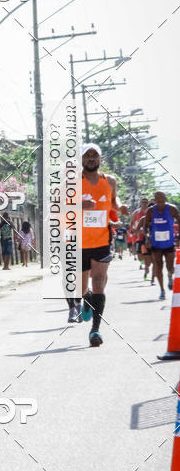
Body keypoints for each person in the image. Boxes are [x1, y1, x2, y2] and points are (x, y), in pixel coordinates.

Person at [81, 143, 128, 347]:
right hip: (77, 241)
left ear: (100, 159)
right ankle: (87, 298)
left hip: (102, 239)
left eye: (95, 155)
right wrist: (79, 205)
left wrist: (120, 207)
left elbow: (113, 201)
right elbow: (58, 206)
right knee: (80, 288)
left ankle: (95, 330)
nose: (91, 158)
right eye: (87, 155)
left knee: (99, 281)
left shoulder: (109, 181)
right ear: (81, 159)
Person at [144, 191, 180, 299]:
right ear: (154, 200)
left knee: (170, 266)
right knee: (158, 267)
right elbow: (145, 226)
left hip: (169, 243)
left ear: (165, 198)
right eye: (157, 197)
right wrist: (147, 238)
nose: (159, 199)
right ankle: (162, 290)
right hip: (156, 244)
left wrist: (178, 236)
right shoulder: (151, 211)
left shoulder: (172, 209)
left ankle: (169, 276)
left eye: (161, 197)